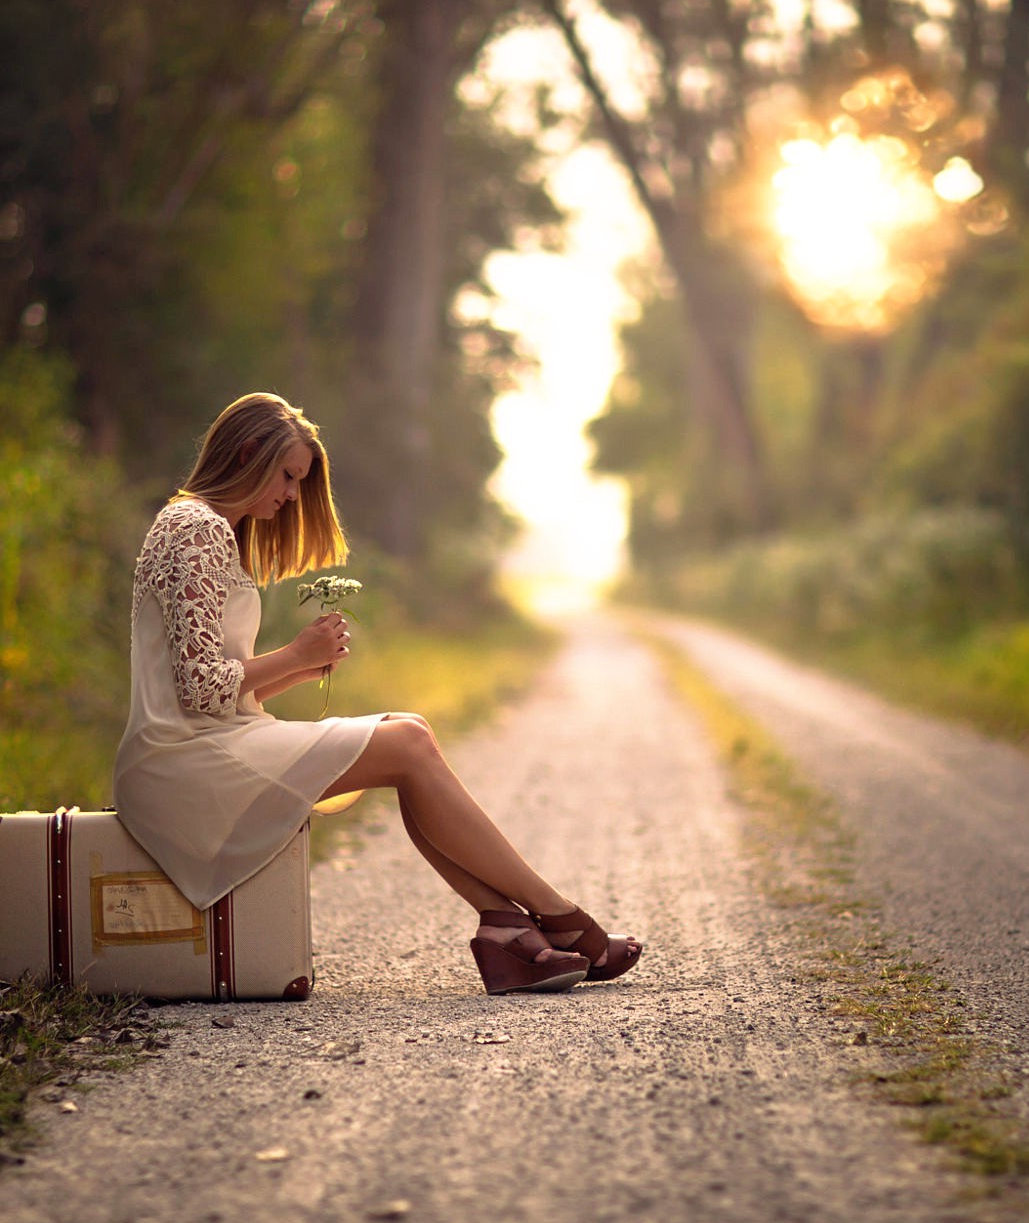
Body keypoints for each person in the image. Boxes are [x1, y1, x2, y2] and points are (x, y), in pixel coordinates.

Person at [113, 392, 642, 996]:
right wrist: (294, 655)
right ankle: (556, 916)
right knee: (409, 742)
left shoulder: (206, 529)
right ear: (248, 452)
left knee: (407, 734)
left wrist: (300, 669)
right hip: (180, 765)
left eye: (298, 481)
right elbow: (201, 688)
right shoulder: (196, 528)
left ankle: (505, 927)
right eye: (287, 476)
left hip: (202, 745)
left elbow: (213, 686)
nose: (290, 494)